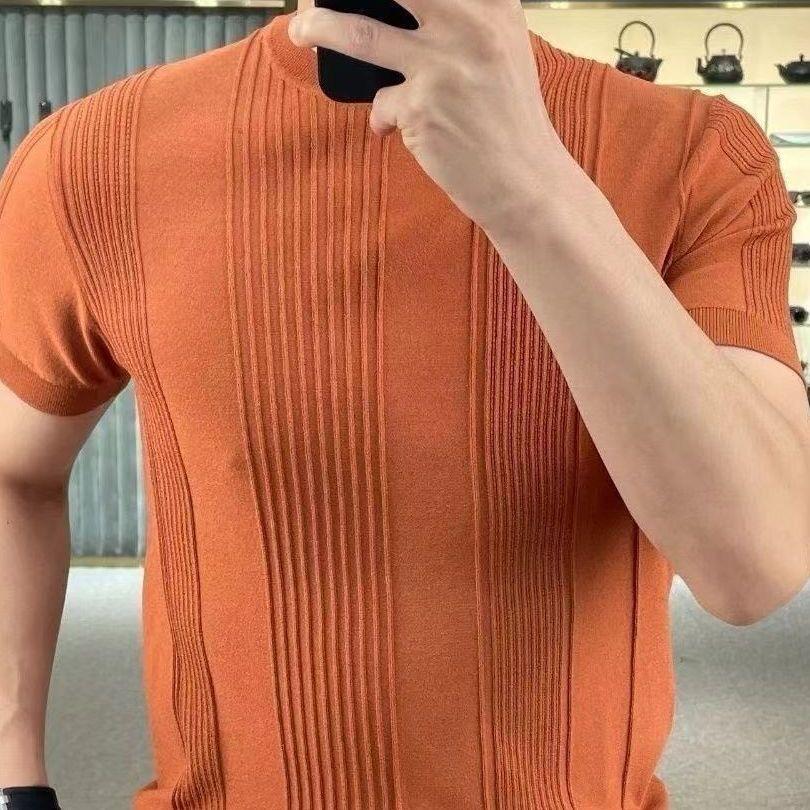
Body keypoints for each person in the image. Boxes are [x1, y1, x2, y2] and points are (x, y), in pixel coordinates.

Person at [1, 0, 808, 808]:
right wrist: (13, 778)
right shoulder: (96, 157)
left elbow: (754, 570)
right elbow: (13, 472)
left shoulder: (696, 153)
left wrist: (533, 187)